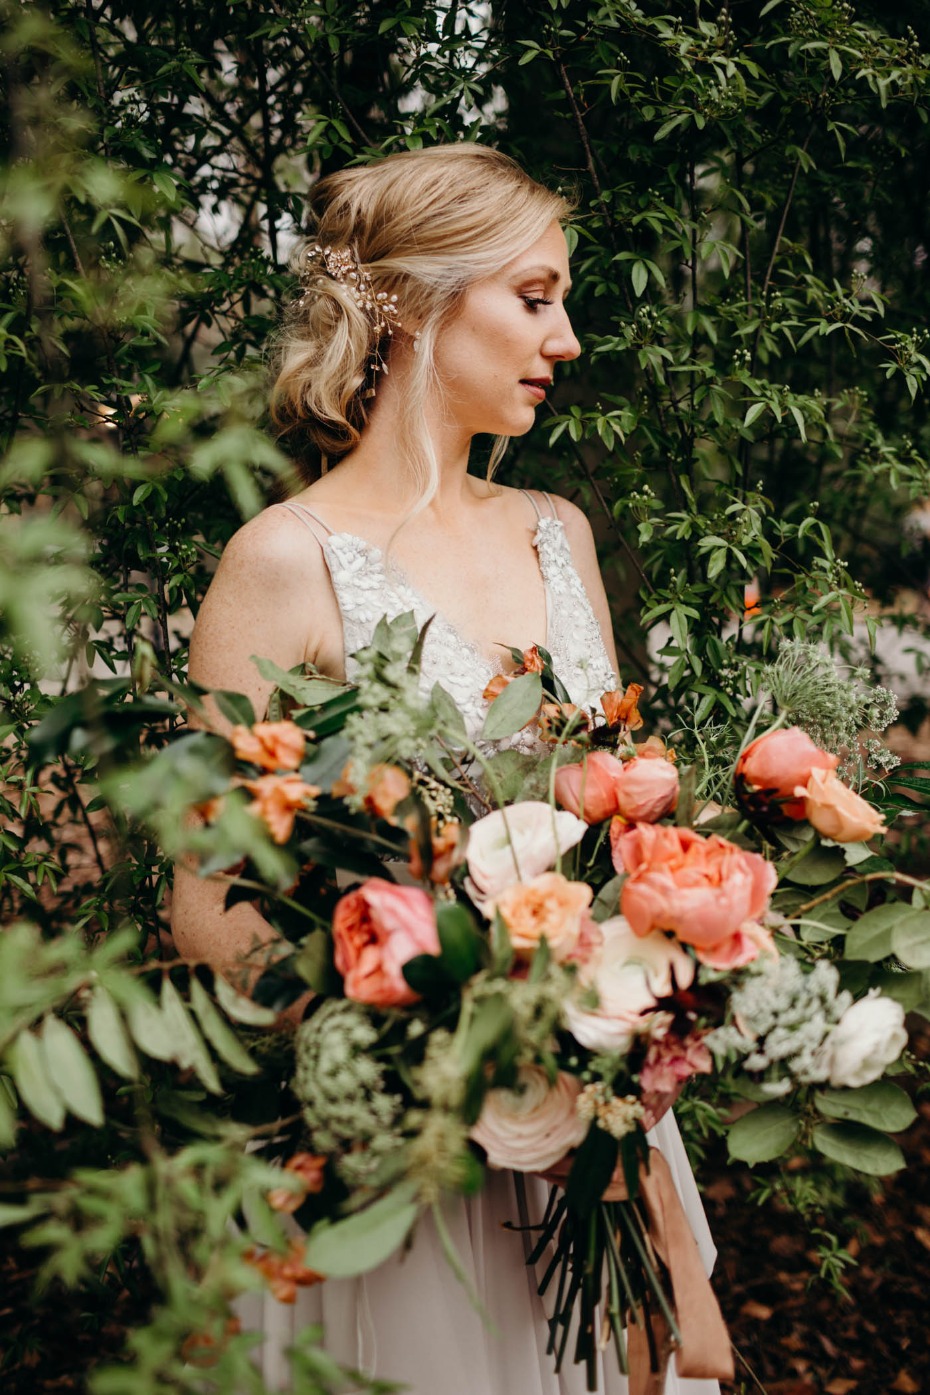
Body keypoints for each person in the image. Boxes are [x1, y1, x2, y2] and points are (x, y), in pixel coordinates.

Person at [172, 144, 721, 1395]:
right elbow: (209, 905)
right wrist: (448, 1038)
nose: (566, 339)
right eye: (535, 297)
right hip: (408, 1169)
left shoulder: (557, 531)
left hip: (601, 1128)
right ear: (417, 304)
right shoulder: (282, 563)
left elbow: (631, 825)